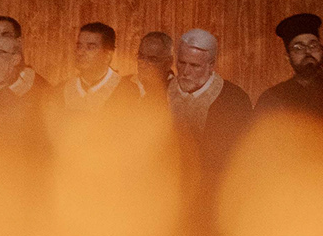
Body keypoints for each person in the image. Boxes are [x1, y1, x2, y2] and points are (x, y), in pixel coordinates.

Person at [169, 29, 252, 178]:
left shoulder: (235, 101)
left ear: (211, 65)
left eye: (195, 66)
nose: (186, 71)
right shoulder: (161, 93)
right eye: (181, 63)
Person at [257, 13, 323, 120]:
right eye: (298, 47)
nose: (308, 51)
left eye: (313, 45)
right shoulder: (273, 98)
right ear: (288, 56)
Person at [62, 22, 142, 110]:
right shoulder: (63, 90)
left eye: (90, 47)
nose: (81, 53)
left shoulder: (127, 91)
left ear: (108, 55)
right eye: (79, 46)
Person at [135, 31, 174, 101]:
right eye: (141, 57)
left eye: (152, 59)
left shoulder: (177, 94)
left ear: (168, 63)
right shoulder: (123, 85)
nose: (143, 64)